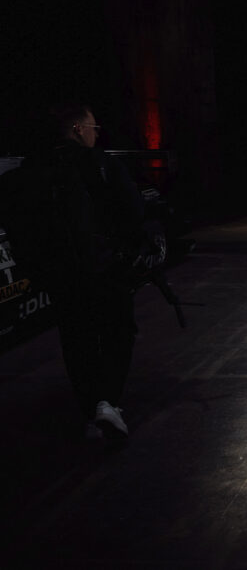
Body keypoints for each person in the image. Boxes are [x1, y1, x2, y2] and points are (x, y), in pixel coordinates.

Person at [5, 104, 144, 438]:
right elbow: (133, 213)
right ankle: (107, 402)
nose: (97, 134)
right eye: (94, 127)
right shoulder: (101, 164)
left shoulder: (32, 170)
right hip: (105, 270)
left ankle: (91, 409)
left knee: (77, 339)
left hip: (60, 276)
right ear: (78, 129)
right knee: (117, 332)